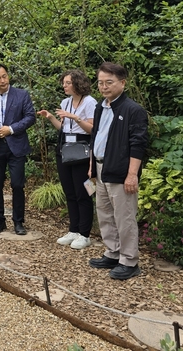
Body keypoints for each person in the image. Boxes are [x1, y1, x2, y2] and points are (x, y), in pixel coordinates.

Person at [88, 62, 148, 280]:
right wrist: (92, 164)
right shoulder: (100, 106)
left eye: (109, 82)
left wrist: (132, 174)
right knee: (104, 213)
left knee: (124, 217)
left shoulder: (133, 110)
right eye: (100, 82)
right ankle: (112, 253)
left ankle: (129, 260)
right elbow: (96, 136)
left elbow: (138, 143)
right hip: (101, 166)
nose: (104, 87)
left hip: (122, 171)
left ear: (122, 83)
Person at [37, 70, 97, 250]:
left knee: (83, 193)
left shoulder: (90, 102)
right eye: (63, 83)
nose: (64, 85)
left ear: (78, 83)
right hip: (65, 149)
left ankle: (85, 234)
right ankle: (73, 229)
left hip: (83, 151)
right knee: (69, 192)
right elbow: (63, 128)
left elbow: (91, 130)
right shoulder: (65, 102)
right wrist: (51, 118)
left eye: (68, 82)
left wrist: (75, 117)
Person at [0, 64, 35, 235]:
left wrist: (10, 129)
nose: (3, 80)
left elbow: (30, 117)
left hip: (16, 145)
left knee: (17, 184)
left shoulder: (21, 95)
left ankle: (18, 221)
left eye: (5, 76)